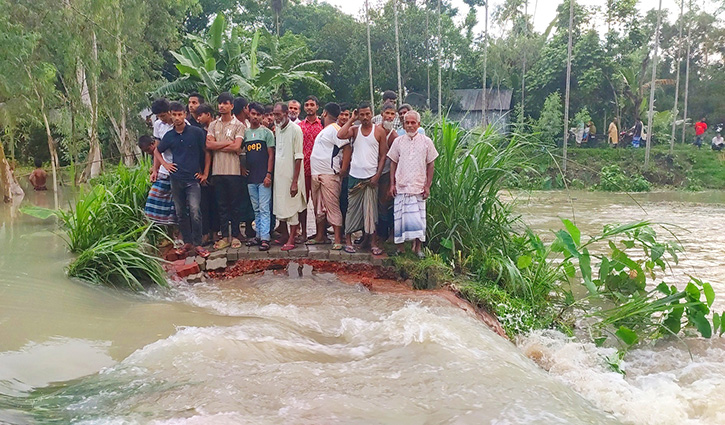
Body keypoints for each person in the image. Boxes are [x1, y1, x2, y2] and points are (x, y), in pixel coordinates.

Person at [157, 101, 211, 258]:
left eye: (180, 114)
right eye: (174, 114)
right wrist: (165, 165)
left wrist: (205, 173)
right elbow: (157, 151)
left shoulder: (195, 132)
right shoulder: (169, 136)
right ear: (171, 115)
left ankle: (198, 244)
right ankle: (187, 242)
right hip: (176, 179)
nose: (177, 117)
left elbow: (207, 152)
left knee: (195, 211)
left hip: (193, 180)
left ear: (185, 115)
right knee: (181, 213)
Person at [337, 101, 389, 255]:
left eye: (368, 114)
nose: (365, 117)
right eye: (362, 114)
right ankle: (348, 241)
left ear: (372, 114)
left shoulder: (379, 132)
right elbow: (340, 135)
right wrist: (351, 119)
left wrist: (377, 175)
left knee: (371, 211)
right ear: (358, 115)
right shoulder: (354, 129)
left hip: (371, 177)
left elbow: (383, 155)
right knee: (352, 209)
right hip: (354, 176)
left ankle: (373, 243)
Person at [387, 110, 438, 258]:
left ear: (418, 124)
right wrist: (392, 184)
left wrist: (427, 185)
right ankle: (400, 249)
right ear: (403, 124)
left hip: (418, 186)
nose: (409, 125)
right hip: (401, 186)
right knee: (400, 219)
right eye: (407, 123)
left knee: (419, 220)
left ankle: (417, 248)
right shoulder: (398, 142)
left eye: (412, 123)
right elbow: (393, 163)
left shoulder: (427, 142)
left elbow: (431, 165)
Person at [308, 102, 351, 250]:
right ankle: (321, 236)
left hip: (329, 173)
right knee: (318, 207)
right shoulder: (324, 130)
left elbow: (346, 148)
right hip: (317, 173)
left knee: (332, 206)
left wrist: (344, 169)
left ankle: (338, 239)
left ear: (324, 113)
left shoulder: (335, 129)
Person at [206, 92, 246, 250]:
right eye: (220, 103)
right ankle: (224, 237)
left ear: (232, 106)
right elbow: (208, 145)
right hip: (217, 170)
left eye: (225, 103)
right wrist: (228, 144)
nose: (222, 106)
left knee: (235, 205)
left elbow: (237, 146)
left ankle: (235, 235)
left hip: (234, 171)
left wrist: (218, 144)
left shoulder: (239, 125)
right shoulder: (213, 125)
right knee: (221, 206)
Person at [272, 103, 306, 251]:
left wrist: (294, 182)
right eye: (274, 114)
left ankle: (292, 238)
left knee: (292, 207)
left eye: (278, 114)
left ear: (286, 113)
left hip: (292, 176)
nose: (276, 117)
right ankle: (285, 235)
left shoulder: (296, 130)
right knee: (281, 205)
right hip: (279, 176)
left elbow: (299, 157)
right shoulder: (278, 128)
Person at [244, 102, 276, 251]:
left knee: (264, 208)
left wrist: (268, 174)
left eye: (258, 115)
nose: (255, 117)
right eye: (253, 114)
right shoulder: (245, 133)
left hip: (264, 178)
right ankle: (258, 235)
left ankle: (265, 238)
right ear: (249, 114)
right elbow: (241, 153)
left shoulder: (267, 134)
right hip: (251, 178)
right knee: (256, 208)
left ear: (262, 116)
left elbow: (271, 155)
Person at [138, 135, 177, 227]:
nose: (148, 153)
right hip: (163, 176)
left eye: (148, 150)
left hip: (173, 174)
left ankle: (177, 233)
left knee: (175, 206)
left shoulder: (163, 146)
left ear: (152, 144)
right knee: (152, 199)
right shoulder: (158, 126)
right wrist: (155, 170)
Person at [299, 95, 323, 240]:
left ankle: (320, 233)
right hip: (302, 170)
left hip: (318, 170)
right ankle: (303, 233)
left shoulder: (323, 126)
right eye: (307, 104)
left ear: (317, 107)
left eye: (312, 104)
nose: (309, 107)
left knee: (318, 203)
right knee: (302, 203)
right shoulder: (300, 126)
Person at [233, 96, 256, 239]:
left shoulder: (248, 124)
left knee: (249, 196)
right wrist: (240, 166)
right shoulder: (235, 125)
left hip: (251, 162)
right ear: (244, 109)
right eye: (247, 108)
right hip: (238, 162)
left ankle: (249, 226)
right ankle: (237, 229)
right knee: (238, 197)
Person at [377, 104, 400, 244]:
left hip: (386, 173)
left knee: (385, 204)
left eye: (392, 114)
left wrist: (393, 181)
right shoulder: (375, 130)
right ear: (382, 114)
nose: (389, 117)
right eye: (387, 113)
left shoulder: (394, 136)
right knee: (373, 205)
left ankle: (386, 234)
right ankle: (371, 235)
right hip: (372, 171)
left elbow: (395, 160)